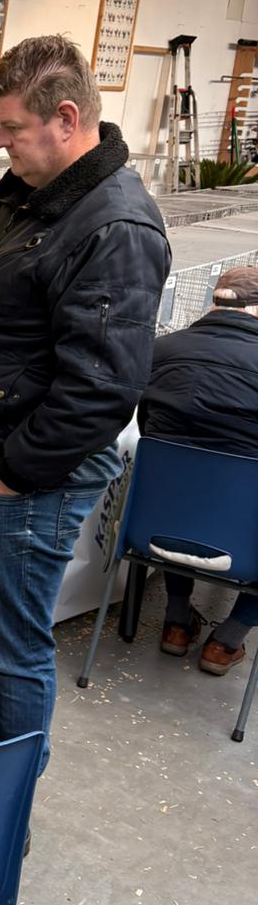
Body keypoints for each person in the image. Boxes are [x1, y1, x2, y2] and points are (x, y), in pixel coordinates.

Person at [0, 35, 170, 762]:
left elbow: (101, 387)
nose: (1, 142)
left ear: (66, 118)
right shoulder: (35, 196)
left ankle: (5, 799)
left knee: (12, 648)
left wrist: (10, 476)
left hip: (16, 479)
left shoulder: (114, 227)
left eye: (12, 127)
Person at [138, 265, 258, 675]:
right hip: (243, 537)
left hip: (156, 526)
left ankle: (177, 622)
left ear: (214, 300)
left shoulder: (161, 350)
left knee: (179, 491)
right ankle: (226, 642)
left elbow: (145, 427)